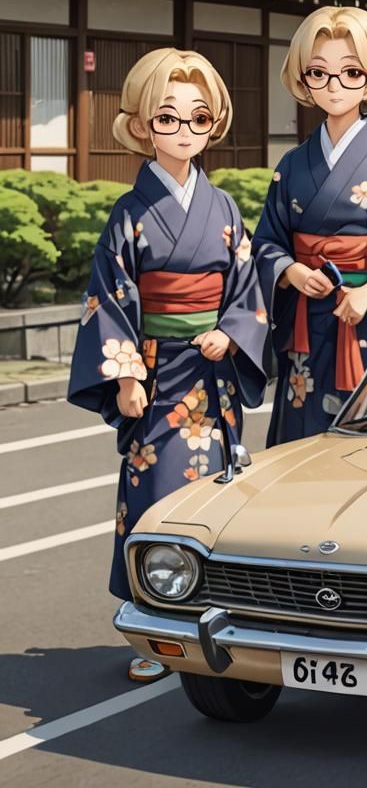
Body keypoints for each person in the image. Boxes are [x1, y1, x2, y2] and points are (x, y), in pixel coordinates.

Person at [68, 48, 267, 683]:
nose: (184, 131)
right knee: (153, 495)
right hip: (157, 374)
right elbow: (111, 295)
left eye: (197, 118)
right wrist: (125, 375)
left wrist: (231, 333)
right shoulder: (128, 215)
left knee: (217, 496)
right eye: (168, 118)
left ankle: (215, 609)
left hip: (209, 380)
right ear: (142, 125)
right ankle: (153, 628)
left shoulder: (225, 208)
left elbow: (245, 286)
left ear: (214, 124)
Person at [254, 6, 367, 445]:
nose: (333, 86)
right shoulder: (293, 164)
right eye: (319, 72)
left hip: (366, 317)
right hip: (305, 317)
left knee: (364, 431)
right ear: (304, 79)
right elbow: (266, 242)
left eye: (350, 72)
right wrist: (291, 271)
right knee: (302, 427)